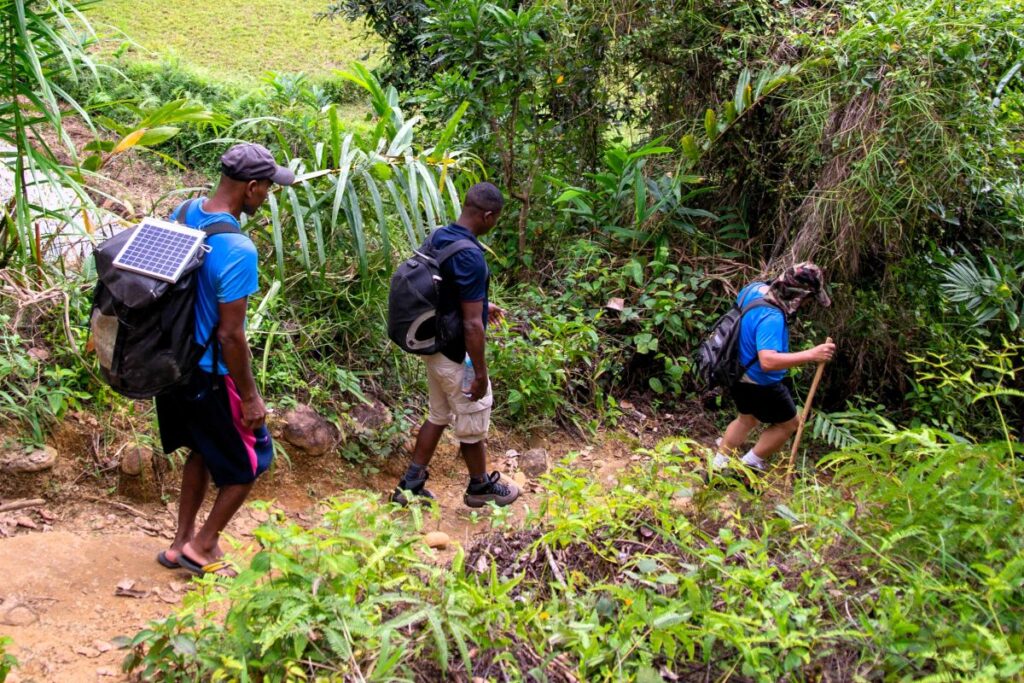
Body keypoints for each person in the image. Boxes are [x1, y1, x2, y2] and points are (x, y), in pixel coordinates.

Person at [156, 142, 294, 576]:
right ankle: (204, 545)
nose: (268, 195)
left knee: (200, 450)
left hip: (173, 366)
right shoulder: (238, 249)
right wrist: (250, 398)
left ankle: (181, 542)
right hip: (212, 375)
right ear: (251, 188)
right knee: (249, 464)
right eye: (268, 188)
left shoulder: (182, 213)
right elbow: (231, 335)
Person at [392, 182, 521, 508]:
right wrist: (479, 372)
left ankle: (410, 485)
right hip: (454, 354)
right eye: (496, 219)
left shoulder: (440, 236)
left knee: (438, 415)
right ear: (488, 216)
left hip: (434, 348)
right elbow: (471, 324)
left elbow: (444, 290)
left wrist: (481, 305)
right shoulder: (471, 256)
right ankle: (479, 486)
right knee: (473, 416)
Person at [713, 262, 835, 473]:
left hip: (735, 371)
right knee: (789, 424)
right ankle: (749, 464)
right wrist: (811, 354)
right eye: (808, 299)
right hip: (760, 381)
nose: (806, 304)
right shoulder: (772, 317)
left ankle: (717, 465)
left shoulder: (753, 289)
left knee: (746, 419)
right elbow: (768, 361)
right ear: (799, 294)